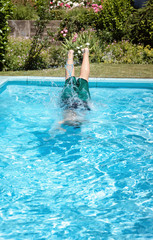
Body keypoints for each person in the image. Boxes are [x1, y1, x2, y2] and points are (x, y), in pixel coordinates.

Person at [59, 48, 91, 129]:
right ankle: (70, 54)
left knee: (84, 78)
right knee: (69, 77)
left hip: (82, 102)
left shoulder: (82, 121)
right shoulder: (65, 121)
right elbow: (58, 124)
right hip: (67, 101)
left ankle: (85, 52)